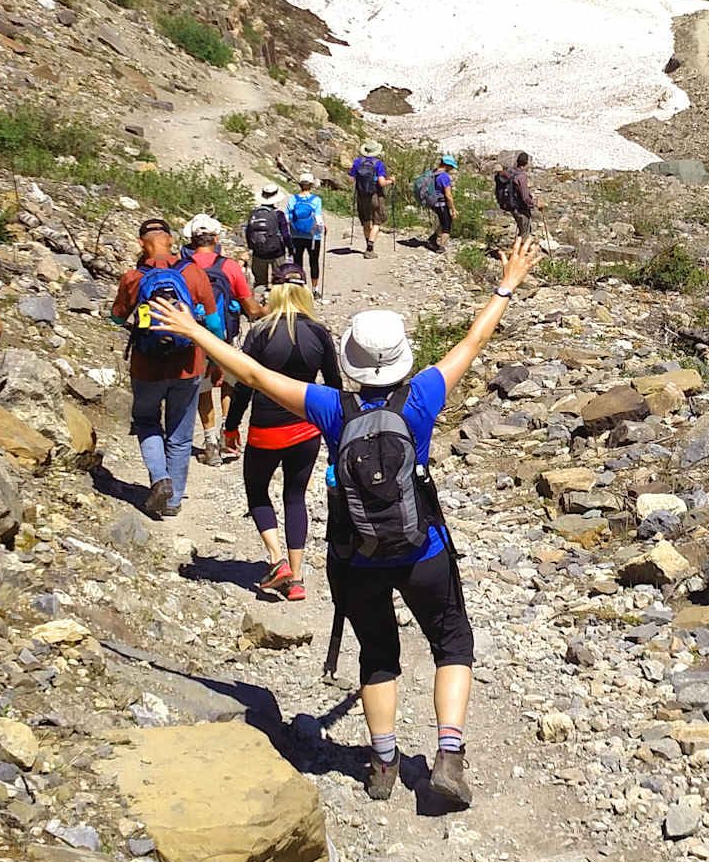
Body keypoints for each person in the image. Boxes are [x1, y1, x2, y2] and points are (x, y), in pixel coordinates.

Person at [151, 236, 543, 810]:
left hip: (354, 554)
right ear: (403, 356)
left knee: (378, 652)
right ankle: (449, 754)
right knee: (451, 640)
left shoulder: (334, 407)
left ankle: (382, 763)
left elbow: (256, 378)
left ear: (355, 363)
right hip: (423, 548)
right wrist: (508, 282)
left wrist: (195, 332)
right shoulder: (424, 395)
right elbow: (474, 340)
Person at [222, 260, 340, 598]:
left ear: (274, 292)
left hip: (266, 426)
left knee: (257, 490)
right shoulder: (319, 332)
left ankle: (277, 560)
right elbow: (334, 385)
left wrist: (231, 426)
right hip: (307, 426)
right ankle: (297, 578)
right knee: (295, 496)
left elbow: (245, 384)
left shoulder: (259, 332)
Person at [110, 219, 215, 518]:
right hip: (189, 363)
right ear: (170, 241)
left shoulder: (133, 277)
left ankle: (160, 478)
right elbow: (214, 321)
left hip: (148, 366)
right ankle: (173, 501)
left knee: (146, 421)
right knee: (181, 435)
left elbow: (117, 317)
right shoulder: (192, 272)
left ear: (142, 244)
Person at [182, 214, 265, 465]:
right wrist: (267, 309)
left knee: (204, 387)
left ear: (191, 240)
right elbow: (250, 308)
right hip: (227, 337)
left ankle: (209, 443)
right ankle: (228, 437)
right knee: (229, 383)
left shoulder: (182, 267)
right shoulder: (229, 267)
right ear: (216, 238)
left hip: (195, 337)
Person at [244, 184, 290, 291]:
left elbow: (248, 232)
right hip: (277, 252)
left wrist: (251, 247)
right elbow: (285, 234)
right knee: (279, 281)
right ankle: (276, 302)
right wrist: (290, 248)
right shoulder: (278, 214)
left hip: (258, 252)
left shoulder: (254, 213)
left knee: (260, 282)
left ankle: (260, 302)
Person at [350, 141, 392, 259]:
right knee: (377, 221)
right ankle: (370, 247)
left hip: (362, 195)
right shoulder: (378, 164)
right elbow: (382, 183)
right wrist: (391, 181)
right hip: (375, 195)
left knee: (366, 220)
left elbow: (351, 179)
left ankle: (367, 244)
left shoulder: (358, 162)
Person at [286, 172, 325, 289]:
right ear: (311, 185)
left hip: (296, 235)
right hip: (313, 236)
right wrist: (322, 229)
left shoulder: (293, 199)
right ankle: (315, 288)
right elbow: (318, 218)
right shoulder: (316, 200)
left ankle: (300, 287)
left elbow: (287, 218)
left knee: (297, 262)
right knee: (314, 261)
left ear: (300, 185)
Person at [500, 151, 536, 241]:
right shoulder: (521, 176)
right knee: (525, 234)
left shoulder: (511, 171)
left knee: (521, 230)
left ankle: (517, 250)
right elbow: (525, 197)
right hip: (521, 209)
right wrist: (535, 204)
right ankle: (521, 253)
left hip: (511, 206)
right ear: (526, 163)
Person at [425, 153, 457, 253]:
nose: (452, 168)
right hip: (442, 204)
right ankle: (441, 247)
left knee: (442, 223)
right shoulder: (444, 177)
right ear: (447, 165)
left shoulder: (433, 173)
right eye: (451, 166)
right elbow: (448, 195)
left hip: (434, 203)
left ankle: (432, 239)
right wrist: (453, 209)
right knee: (446, 226)